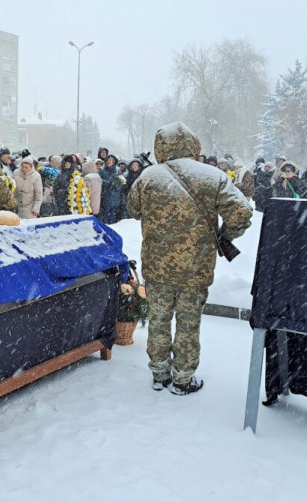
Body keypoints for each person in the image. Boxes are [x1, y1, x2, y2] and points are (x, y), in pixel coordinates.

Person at [127, 122, 252, 395]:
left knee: (158, 321)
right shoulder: (213, 176)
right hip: (196, 268)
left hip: (157, 267)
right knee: (188, 324)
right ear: (193, 145)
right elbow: (241, 213)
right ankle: (183, 378)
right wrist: (224, 235)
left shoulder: (148, 177)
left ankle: (159, 373)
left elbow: (133, 210)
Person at [99, 154, 123, 224]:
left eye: (111, 160)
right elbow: (99, 180)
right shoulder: (101, 170)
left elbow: (121, 182)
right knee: (105, 214)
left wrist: (115, 184)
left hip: (115, 196)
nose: (109, 161)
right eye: (108, 160)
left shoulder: (118, 171)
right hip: (105, 195)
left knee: (113, 215)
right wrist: (107, 184)